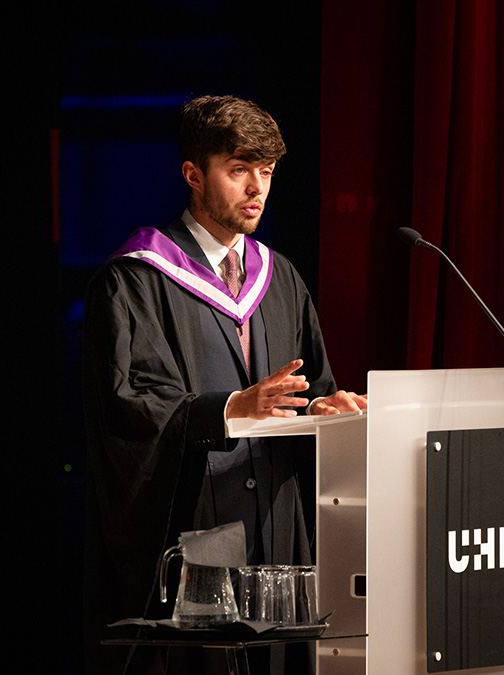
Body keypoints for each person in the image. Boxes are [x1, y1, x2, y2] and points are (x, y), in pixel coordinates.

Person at [81, 94, 367, 674]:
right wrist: (230, 408)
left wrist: (327, 408)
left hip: (276, 539)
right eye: (238, 171)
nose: (256, 188)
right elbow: (124, 406)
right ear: (193, 174)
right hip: (192, 533)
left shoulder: (279, 276)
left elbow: (310, 385)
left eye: (266, 172)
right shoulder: (136, 278)